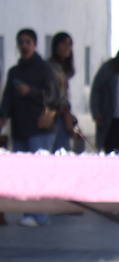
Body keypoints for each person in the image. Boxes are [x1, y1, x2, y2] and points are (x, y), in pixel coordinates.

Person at [0, 29, 59, 227]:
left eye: (28, 42)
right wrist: (3, 117)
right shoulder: (14, 71)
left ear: (34, 44)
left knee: (38, 172)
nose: (24, 45)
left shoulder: (44, 69)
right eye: (21, 42)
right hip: (20, 128)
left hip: (40, 129)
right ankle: (28, 213)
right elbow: (7, 98)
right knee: (23, 173)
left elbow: (52, 95)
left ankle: (40, 214)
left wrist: (30, 91)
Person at [48, 32, 83, 152]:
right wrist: (65, 113)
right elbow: (54, 96)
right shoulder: (51, 68)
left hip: (63, 116)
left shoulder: (64, 70)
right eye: (64, 43)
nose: (67, 47)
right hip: (54, 116)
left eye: (70, 44)